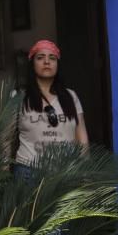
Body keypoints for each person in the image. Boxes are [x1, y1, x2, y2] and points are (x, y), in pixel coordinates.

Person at [14, 39, 89, 172]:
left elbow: (81, 137)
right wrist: (2, 170)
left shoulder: (71, 96)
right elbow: (5, 139)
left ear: (57, 64)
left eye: (52, 58)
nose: (47, 62)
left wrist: (84, 170)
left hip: (66, 172)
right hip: (28, 171)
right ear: (32, 64)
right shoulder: (19, 97)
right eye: (40, 57)